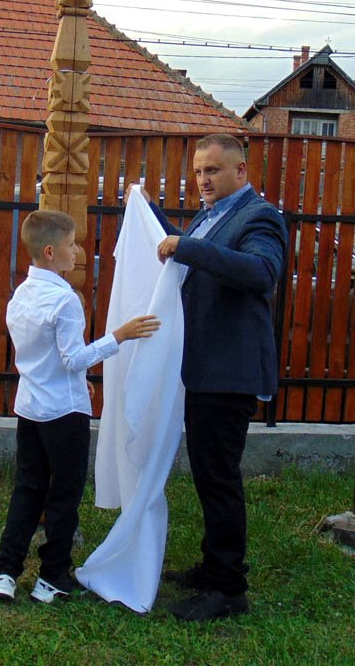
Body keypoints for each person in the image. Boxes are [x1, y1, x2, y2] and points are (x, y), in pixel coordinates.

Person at [145, 133, 287, 623]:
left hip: (230, 373)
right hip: (205, 369)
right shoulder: (210, 216)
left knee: (219, 477)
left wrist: (186, 246)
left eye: (213, 170)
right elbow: (191, 255)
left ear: (240, 171)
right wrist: (150, 215)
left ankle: (228, 589)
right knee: (208, 474)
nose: (203, 180)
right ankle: (211, 567)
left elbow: (261, 272)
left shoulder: (259, 216)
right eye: (198, 172)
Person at [0, 209, 160, 604]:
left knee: (28, 488)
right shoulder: (64, 300)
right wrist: (119, 336)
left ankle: (5, 572)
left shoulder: (21, 294)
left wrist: (75, 377)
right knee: (64, 495)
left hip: (30, 409)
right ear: (50, 252)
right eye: (71, 244)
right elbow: (71, 358)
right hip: (64, 415)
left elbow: (39, 355)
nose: (77, 251)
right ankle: (52, 576)